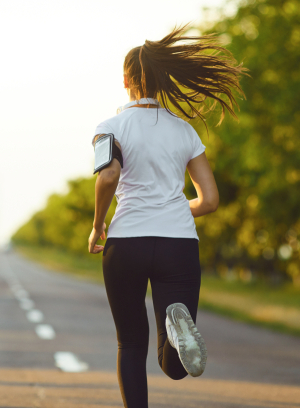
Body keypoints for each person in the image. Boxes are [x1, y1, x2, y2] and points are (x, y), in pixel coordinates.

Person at [88, 25, 245, 407]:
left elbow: (109, 175)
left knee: (130, 344)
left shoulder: (109, 128)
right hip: (178, 244)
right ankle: (177, 335)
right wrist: (175, 206)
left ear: (126, 80)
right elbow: (208, 201)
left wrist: (97, 225)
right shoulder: (185, 131)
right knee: (173, 366)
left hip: (127, 243)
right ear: (162, 80)